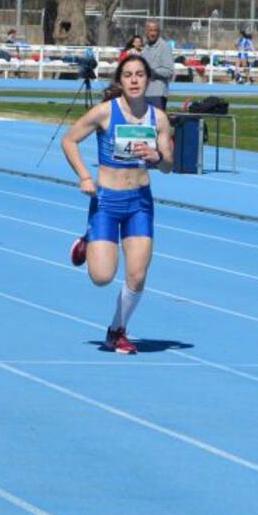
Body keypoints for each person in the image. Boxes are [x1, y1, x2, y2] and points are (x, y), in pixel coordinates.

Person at [61, 54, 174, 355]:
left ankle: (117, 330)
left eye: (140, 75)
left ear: (148, 80)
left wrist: (158, 158)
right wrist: (85, 176)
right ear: (120, 81)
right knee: (102, 277)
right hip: (107, 202)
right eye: (128, 75)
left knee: (137, 275)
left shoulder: (158, 118)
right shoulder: (104, 113)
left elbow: (168, 166)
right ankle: (88, 240)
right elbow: (69, 141)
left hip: (139, 202)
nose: (135, 80)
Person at [142, 19, 174, 111]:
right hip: (143, 93)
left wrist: (153, 71)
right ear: (146, 31)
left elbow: (169, 71)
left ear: (159, 32)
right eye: (150, 30)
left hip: (157, 94)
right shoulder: (145, 48)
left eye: (155, 30)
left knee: (156, 124)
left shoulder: (164, 46)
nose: (152, 33)